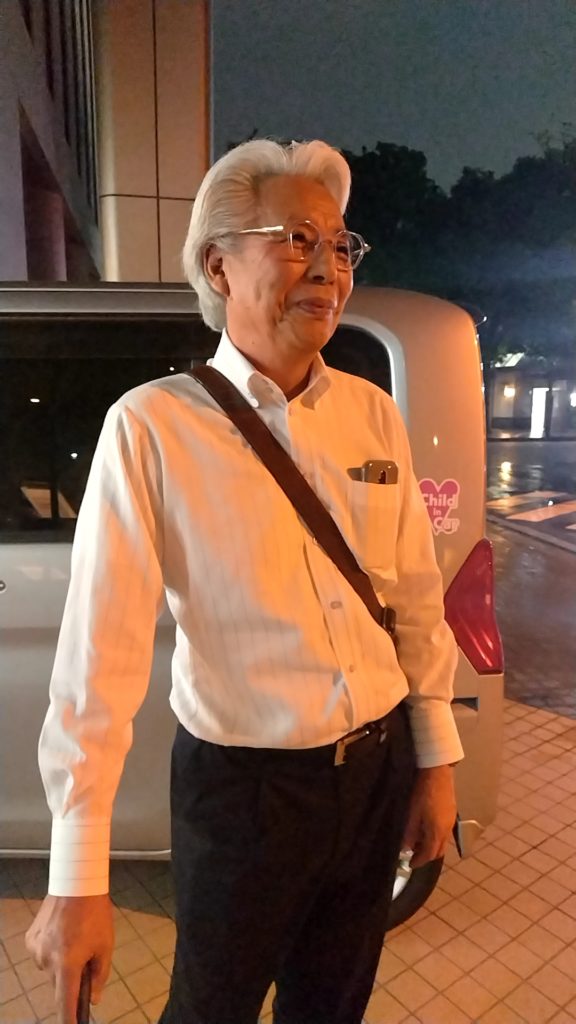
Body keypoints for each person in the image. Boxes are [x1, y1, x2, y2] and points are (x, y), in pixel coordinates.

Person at [26, 138, 463, 1024]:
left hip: (375, 771)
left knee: (333, 1005)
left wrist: (435, 762)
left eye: (340, 245)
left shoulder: (373, 413)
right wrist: (77, 878)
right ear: (219, 265)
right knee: (210, 1008)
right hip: (246, 796)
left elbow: (415, 597)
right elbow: (98, 665)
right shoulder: (153, 427)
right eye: (297, 240)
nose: (328, 268)